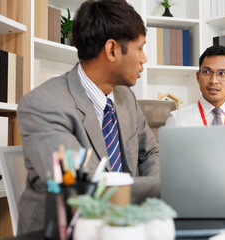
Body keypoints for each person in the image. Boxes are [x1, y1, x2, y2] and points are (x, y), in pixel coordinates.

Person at [17, 0, 159, 234]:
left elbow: (150, 154)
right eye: (140, 47)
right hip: (68, 231)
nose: (144, 58)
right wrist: (168, 189)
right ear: (112, 50)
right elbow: (81, 189)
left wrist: (154, 205)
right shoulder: (43, 104)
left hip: (126, 226)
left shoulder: (126, 98)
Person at [165, 45, 225, 126]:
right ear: (198, 77)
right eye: (207, 72)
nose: (213, 80)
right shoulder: (177, 120)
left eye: (222, 73)